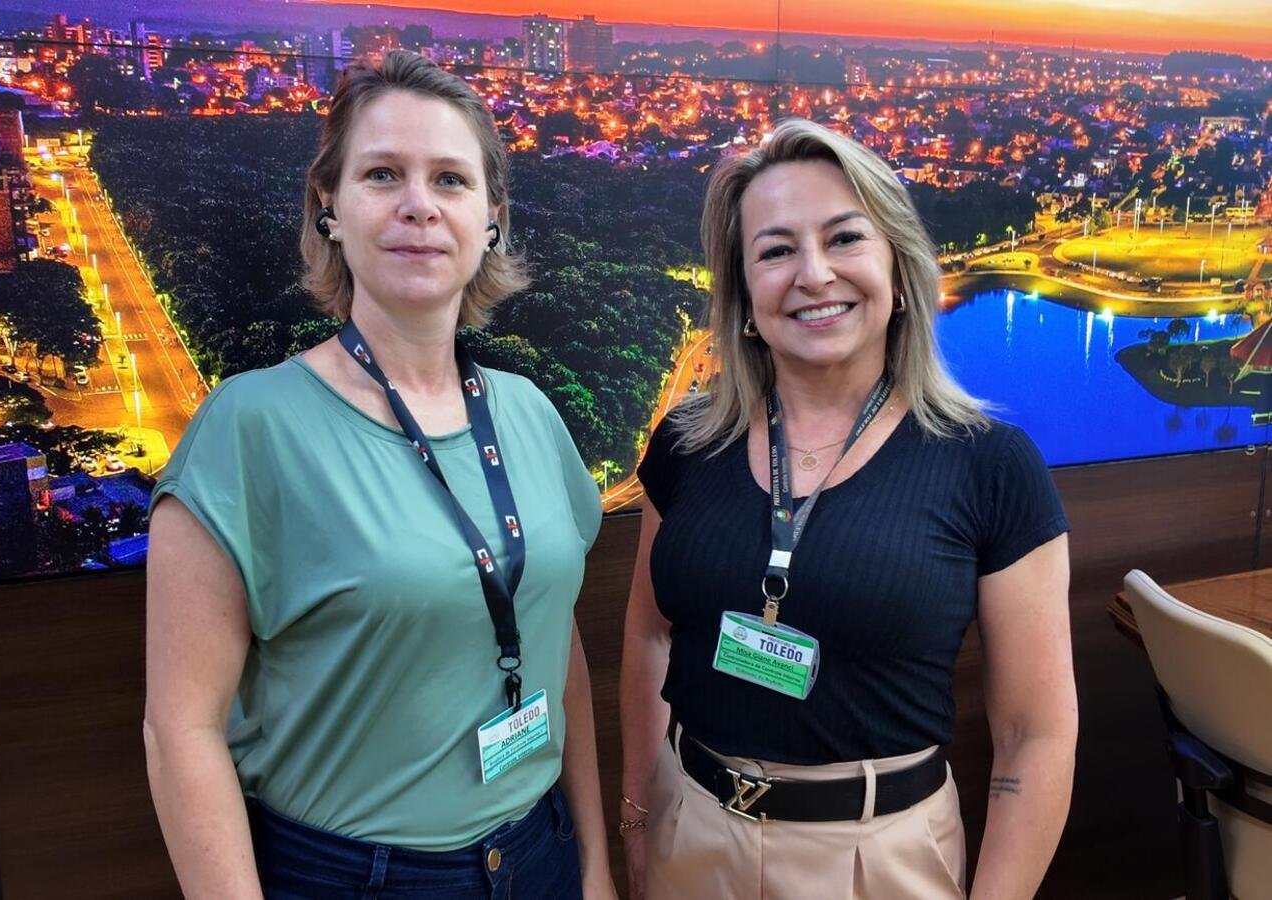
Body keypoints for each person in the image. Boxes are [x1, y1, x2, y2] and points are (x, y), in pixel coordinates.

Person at [144, 51, 615, 899]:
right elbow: (180, 731)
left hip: (538, 852)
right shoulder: (251, 427)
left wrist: (593, 867)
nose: (418, 206)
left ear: (491, 218)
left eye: (450, 180)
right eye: (382, 174)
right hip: (352, 876)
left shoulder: (528, 413)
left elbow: (555, 642)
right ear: (329, 206)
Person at [619, 118, 1077, 899]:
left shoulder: (988, 463)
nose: (813, 273)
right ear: (743, 294)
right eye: (775, 251)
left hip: (877, 858)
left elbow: (1033, 734)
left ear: (897, 271)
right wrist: (639, 813)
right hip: (690, 836)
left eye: (843, 239)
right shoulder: (688, 442)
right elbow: (648, 631)